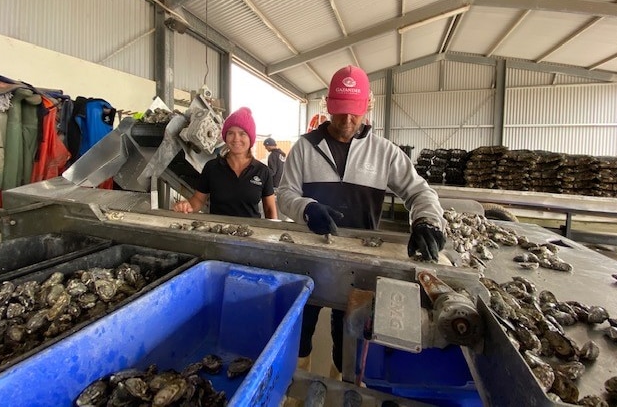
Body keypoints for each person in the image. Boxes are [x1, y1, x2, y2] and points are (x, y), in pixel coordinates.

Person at [277, 65, 446, 379]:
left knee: (348, 338)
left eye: (354, 112)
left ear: (368, 106)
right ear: (328, 106)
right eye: (340, 112)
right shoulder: (304, 147)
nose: (347, 121)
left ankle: (339, 384)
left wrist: (426, 220)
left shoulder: (384, 152)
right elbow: (285, 193)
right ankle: (293, 386)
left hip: (360, 264)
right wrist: (306, 208)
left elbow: (419, 191)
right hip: (308, 257)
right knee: (298, 332)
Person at [173, 107, 277, 219]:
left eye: (242, 134)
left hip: (250, 233)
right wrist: (187, 206)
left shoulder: (262, 171)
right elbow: (198, 199)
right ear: (225, 137)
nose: (236, 139)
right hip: (218, 232)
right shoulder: (212, 167)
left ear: (250, 138)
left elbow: (269, 209)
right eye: (231, 133)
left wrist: (273, 233)